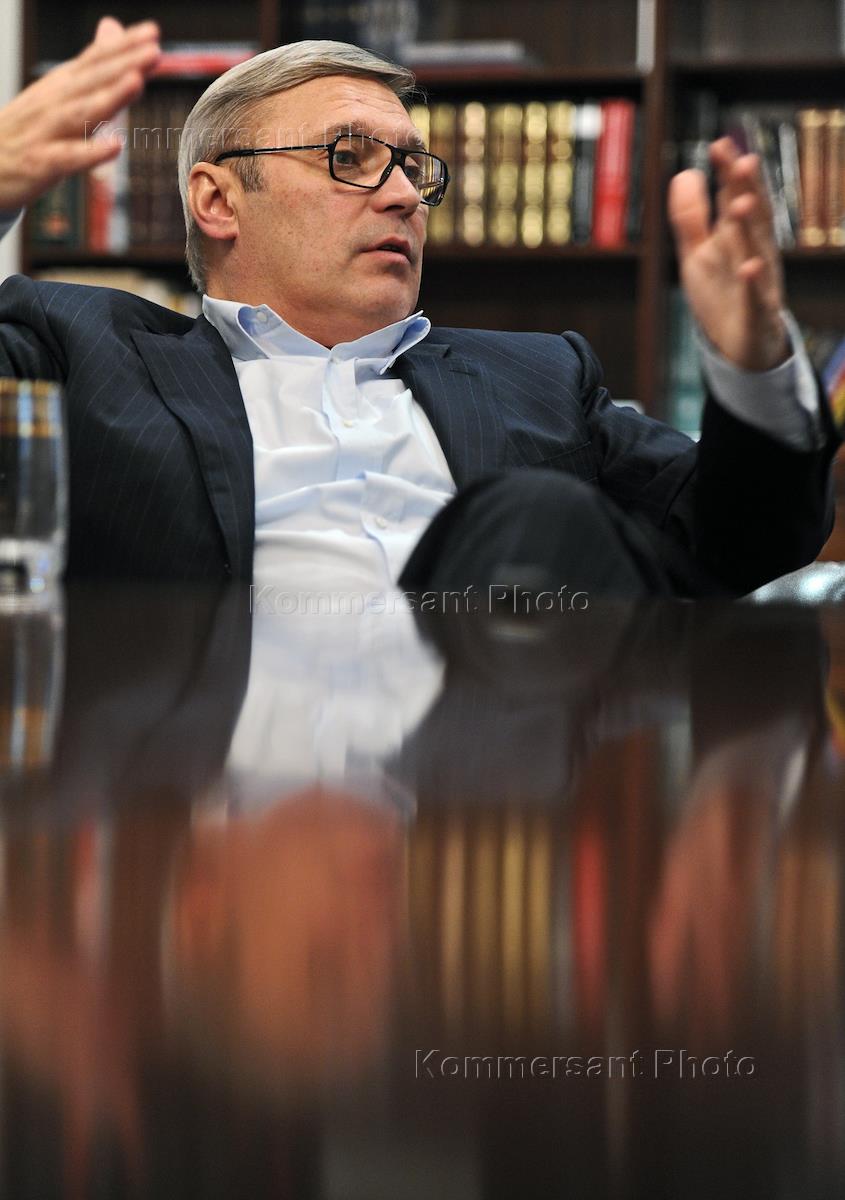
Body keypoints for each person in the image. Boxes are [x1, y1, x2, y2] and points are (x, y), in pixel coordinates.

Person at [0, 17, 839, 597]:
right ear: (218, 201)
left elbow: (740, 543)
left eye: (412, 167)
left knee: (537, 518)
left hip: (478, 764)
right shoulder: (78, 349)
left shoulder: (541, 379)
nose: (403, 195)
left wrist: (754, 363)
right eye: (349, 156)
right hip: (198, 775)